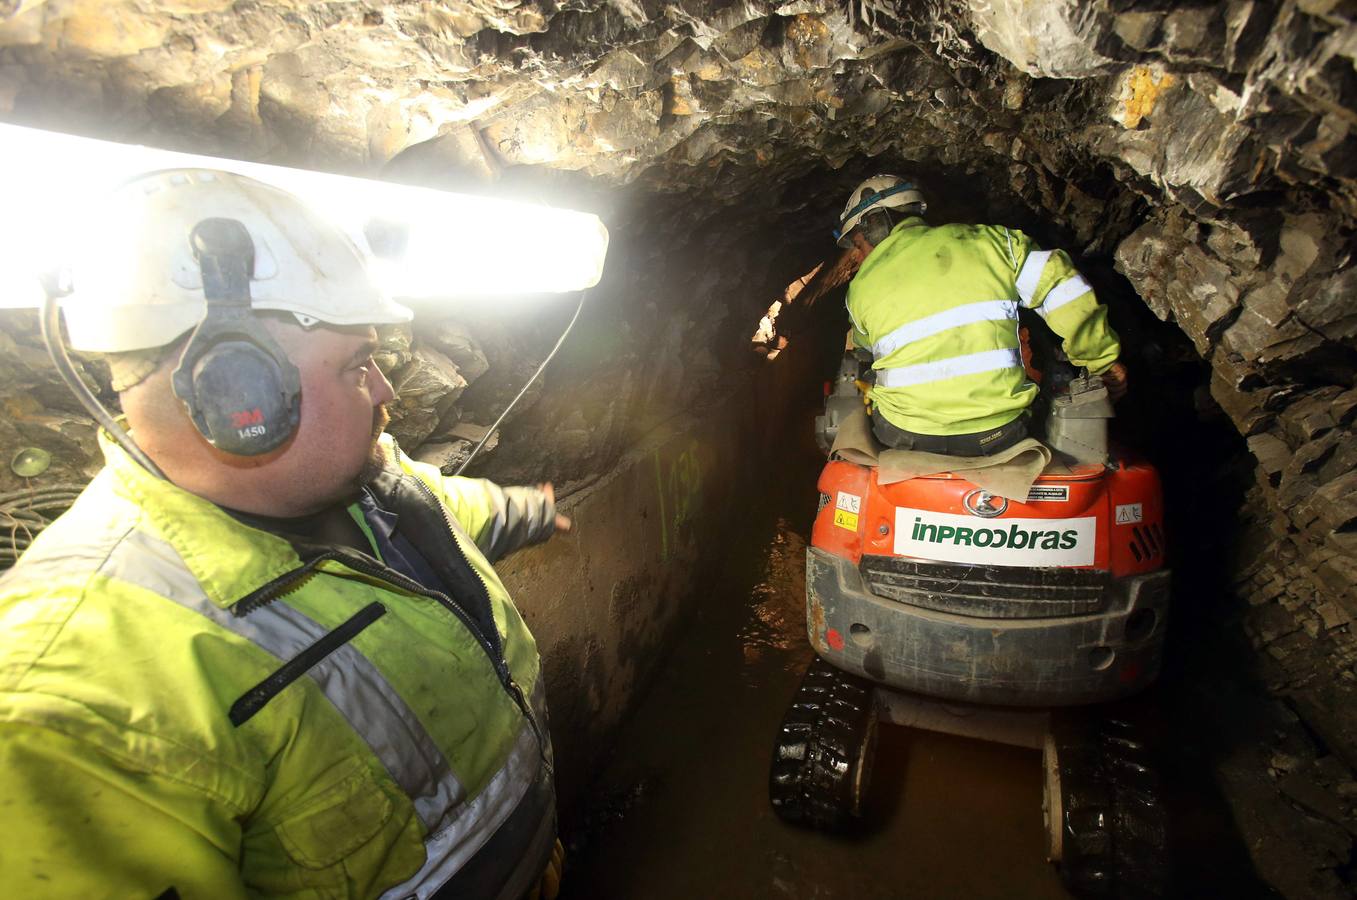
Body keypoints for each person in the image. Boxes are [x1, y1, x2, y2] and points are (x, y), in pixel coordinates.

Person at [0, 169, 570, 899]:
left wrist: (526, 510)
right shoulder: (76, 699)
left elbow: (440, 507)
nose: (385, 391)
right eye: (358, 366)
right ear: (242, 395)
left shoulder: (359, 481)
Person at [836, 175, 1129, 456]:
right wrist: (1100, 361)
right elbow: (1063, 289)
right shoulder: (994, 244)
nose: (858, 258)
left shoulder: (860, 288)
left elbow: (863, 352)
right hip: (1001, 432)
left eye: (859, 245)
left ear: (876, 224)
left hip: (903, 434)